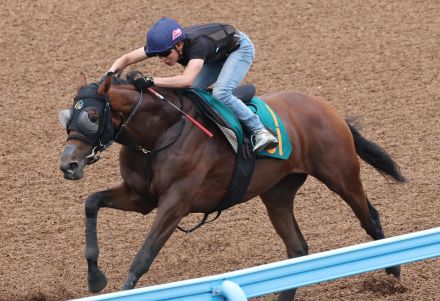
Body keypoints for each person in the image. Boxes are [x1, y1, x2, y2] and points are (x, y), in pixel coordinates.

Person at [107, 17, 278, 152]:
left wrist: (151, 80)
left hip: (239, 50)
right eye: (157, 55)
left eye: (165, 54)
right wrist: (108, 76)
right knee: (192, 92)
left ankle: (260, 130)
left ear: (179, 44)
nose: (162, 59)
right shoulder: (165, 44)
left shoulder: (198, 45)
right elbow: (126, 59)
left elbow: (186, 80)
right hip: (213, 57)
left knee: (221, 93)